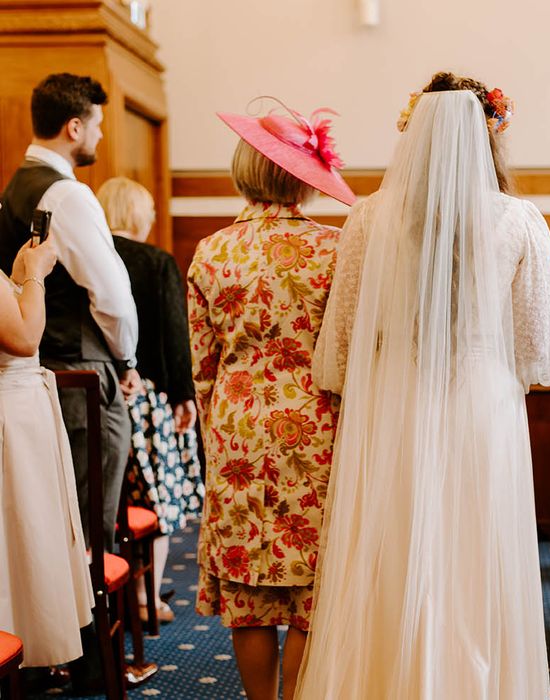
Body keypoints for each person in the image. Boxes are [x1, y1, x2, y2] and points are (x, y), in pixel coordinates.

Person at [297, 73, 550, 699]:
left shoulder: (367, 218)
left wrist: (356, 382)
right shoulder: (519, 219)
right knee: (476, 546)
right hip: (482, 400)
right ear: (488, 135)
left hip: (397, 400)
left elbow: (341, 338)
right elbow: (539, 349)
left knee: (395, 542)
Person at [188, 100, 354, 700]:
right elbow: (353, 349)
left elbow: (201, 365)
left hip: (236, 428)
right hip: (317, 425)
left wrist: (217, 426)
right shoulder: (335, 249)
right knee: (312, 586)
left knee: (250, 593)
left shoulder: (211, 251)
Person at [0, 72, 140, 692]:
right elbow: (110, 292)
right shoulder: (68, 194)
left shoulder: (15, 185)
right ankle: (89, 661)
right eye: (99, 124)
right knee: (93, 515)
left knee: (61, 517)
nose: (102, 136)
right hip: (80, 368)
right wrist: (128, 358)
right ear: (75, 125)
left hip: (32, 369)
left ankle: (58, 650)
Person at [97, 176, 205, 624]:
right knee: (159, 499)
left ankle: (107, 587)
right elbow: (176, 336)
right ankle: (147, 596)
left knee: (108, 502)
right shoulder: (156, 261)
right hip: (149, 401)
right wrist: (184, 395)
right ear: (139, 214)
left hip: (101, 393)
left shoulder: (89, 260)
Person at [0, 239, 94, 669]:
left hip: (21, 416)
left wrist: (21, 279)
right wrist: (36, 272)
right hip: (11, 423)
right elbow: (23, 337)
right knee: (20, 532)